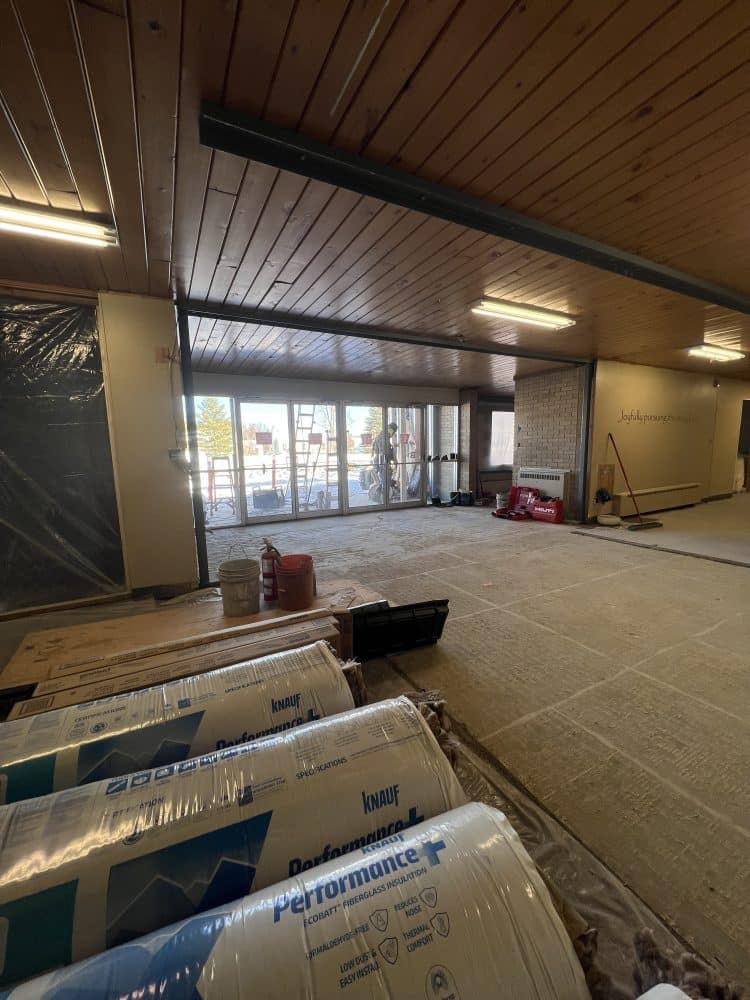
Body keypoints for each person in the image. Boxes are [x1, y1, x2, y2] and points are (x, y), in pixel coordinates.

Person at [370, 422, 398, 499]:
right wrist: (392, 459)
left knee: (384, 482)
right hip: (382, 463)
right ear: (390, 429)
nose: (393, 434)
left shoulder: (382, 436)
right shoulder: (384, 437)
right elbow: (384, 453)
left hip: (379, 462)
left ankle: (383, 498)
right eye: (393, 431)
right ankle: (383, 500)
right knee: (385, 482)